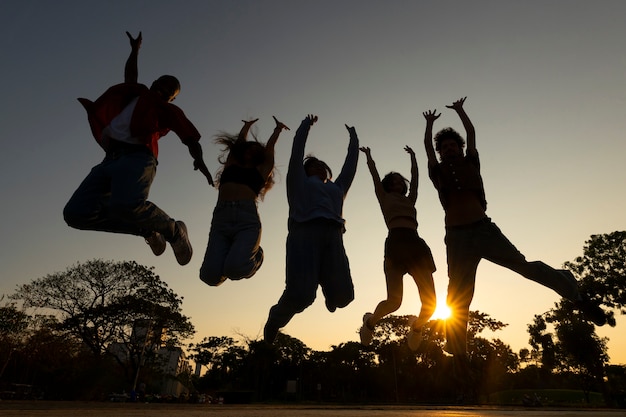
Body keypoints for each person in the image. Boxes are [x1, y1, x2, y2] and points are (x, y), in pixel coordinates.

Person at [422, 97, 609, 375]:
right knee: (458, 295)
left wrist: (461, 112)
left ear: (460, 149)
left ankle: (577, 297)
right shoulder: (437, 171)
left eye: (453, 145)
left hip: (484, 230)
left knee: (525, 267)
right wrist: (428, 126)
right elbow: (427, 148)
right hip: (457, 238)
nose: (449, 149)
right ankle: (460, 354)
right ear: (440, 153)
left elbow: (472, 135)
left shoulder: (471, 161)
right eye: (444, 147)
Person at [63, 32, 212, 265]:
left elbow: (190, 137)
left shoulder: (167, 111)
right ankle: (148, 230)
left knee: (126, 205)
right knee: (76, 214)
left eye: (168, 91)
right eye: (161, 84)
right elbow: (130, 75)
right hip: (109, 161)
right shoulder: (134, 94)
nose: (162, 90)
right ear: (152, 83)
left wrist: (199, 160)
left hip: (138, 158)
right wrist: (135, 51)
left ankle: (174, 231)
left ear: (171, 99)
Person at [263, 114, 359, 344]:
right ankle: (275, 320)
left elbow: (350, 167)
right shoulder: (298, 183)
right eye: (312, 165)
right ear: (305, 171)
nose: (317, 167)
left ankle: (330, 290)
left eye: (321, 166)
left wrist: (354, 139)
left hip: (333, 236)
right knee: (301, 295)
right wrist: (305, 125)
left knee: (344, 297)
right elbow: (297, 153)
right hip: (304, 233)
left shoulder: (337, 189)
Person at [358, 145, 436, 351]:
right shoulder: (384, 197)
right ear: (388, 185)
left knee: (431, 304)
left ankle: (417, 328)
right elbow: (375, 177)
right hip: (395, 244)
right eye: (394, 181)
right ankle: (370, 323)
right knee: (395, 301)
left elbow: (416, 181)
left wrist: (414, 159)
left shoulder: (410, 199)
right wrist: (369, 157)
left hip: (416, 245)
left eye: (401, 181)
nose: (398, 183)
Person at [199, 117, 289, 286]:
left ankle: (257, 256)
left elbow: (270, 150)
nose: (251, 150)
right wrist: (246, 126)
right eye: (249, 147)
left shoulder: (261, 171)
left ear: (258, 156)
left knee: (235, 270)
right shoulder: (231, 163)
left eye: (255, 149)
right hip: (221, 219)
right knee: (208, 277)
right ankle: (228, 260)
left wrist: (277, 130)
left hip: (246, 220)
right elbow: (239, 143)